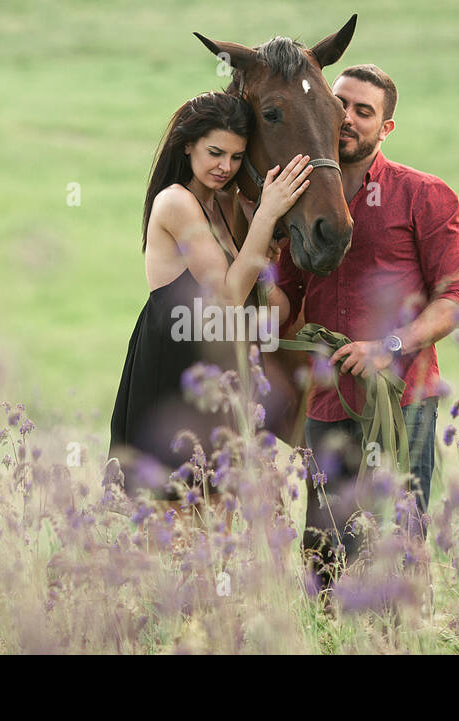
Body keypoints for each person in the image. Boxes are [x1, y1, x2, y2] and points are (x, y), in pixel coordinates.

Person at [272, 64, 459, 591]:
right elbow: (286, 295)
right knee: (323, 548)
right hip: (326, 401)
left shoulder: (425, 195)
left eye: (364, 111)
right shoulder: (302, 197)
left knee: (398, 540)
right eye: (341, 105)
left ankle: (400, 639)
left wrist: (389, 346)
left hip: (401, 399)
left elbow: (457, 297)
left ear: (386, 127)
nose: (348, 118)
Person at [108, 90, 313, 516]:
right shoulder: (177, 202)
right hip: (175, 366)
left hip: (216, 364)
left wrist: (263, 259)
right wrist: (265, 217)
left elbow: (270, 310)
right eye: (215, 153)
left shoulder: (221, 205)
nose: (226, 167)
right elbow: (227, 298)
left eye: (237, 157)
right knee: (177, 520)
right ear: (188, 145)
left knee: (220, 520)